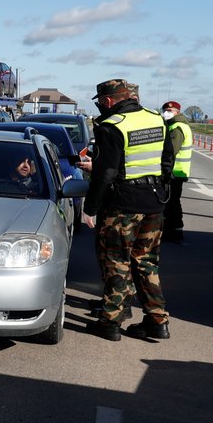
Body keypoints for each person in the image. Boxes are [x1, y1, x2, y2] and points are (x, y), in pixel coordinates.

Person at [83, 78, 175, 342]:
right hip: (155, 204)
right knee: (146, 262)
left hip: (123, 205)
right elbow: (167, 160)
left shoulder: (112, 126)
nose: (101, 105)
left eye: (101, 101)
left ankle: (110, 323)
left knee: (117, 262)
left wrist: (90, 207)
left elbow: (106, 173)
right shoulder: (157, 119)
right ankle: (157, 321)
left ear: (109, 100)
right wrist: (158, 187)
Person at [160, 100, 192, 243]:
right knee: (172, 202)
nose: (167, 112)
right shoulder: (174, 125)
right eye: (165, 110)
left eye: (170, 111)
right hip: (177, 172)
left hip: (174, 172)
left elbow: (171, 151)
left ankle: (174, 231)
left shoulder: (177, 128)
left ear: (177, 112)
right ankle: (173, 230)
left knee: (171, 203)